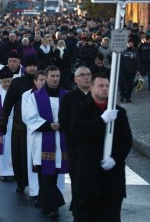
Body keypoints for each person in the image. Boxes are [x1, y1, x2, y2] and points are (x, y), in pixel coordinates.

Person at [70, 73, 132, 221]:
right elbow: (78, 132)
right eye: (101, 85)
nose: (105, 89)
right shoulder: (80, 109)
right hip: (88, 178)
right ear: (91, 87)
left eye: (107, 86)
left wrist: (115, 159)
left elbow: (126, 141)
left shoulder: (119, 113)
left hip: (112, 180)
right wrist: (101, 120)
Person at [26, 65, 68, 219]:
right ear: (47, 77)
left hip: (61, 139)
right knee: (45, 173)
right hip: (44, 137)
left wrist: (63, 124)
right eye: (52, 76)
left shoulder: (66, 95)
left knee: (54, 173)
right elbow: (30, 117)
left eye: (58, 76)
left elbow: (71, 115)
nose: (55, 79)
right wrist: (49, 125)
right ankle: (54, 206)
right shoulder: (36, 96)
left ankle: (46, 203)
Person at [0, 55, 38, 193]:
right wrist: (2, 122)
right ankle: (21, 183)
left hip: (36, 129)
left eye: (34, 65)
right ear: (25, 67)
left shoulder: (40, 82)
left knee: (34, 158)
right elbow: (8, 103)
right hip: (19, 127)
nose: (32, 68)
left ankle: (36, 187)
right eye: (30, 66)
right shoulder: (17, 83)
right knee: (19, 156)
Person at [58, 66, 91, 212]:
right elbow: (63, 122)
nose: (86, 77)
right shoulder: (68, 98)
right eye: (82, 75)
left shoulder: (99, 96)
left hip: (95, 147)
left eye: (89, 74)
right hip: (76, 146)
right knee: (77, 177)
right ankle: (78, 206)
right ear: (75, 79)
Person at [21, 70, 46, 206]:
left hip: (50, 133)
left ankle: (50, 191)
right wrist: (43, 124)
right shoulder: (27, 95)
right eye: (40, 80)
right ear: (35, 81)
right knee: (34, 162)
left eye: (44, 79)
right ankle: (35, 191)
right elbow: (26, 116)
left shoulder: (52, 94)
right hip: (34, 132)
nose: (43, 82)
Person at [119, 38, 140, 103]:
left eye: (131, 42)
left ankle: (128, 97)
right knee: (123, 84)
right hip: (123, 70)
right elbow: (119, 60)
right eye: (128, 42)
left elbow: (137, 61)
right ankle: (122, 96)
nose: (130, 44)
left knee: (130, 85)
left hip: (131, 71)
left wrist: (137, 70)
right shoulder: (122, 50)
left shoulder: (135, 51)